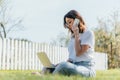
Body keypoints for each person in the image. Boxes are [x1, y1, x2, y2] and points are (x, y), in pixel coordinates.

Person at [32, 10, 96, 77]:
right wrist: (58, 65)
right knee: (48, 67)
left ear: (77, 20)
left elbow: (78, 53)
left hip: (86, 68)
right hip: (74, 65)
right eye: (67, 23)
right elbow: (72, 58)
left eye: (70, 22)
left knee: (63, 66)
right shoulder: (72, 37)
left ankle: (44, 77)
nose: (69, 26)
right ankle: (43, 74)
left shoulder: (88, 33)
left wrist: (77, 35)